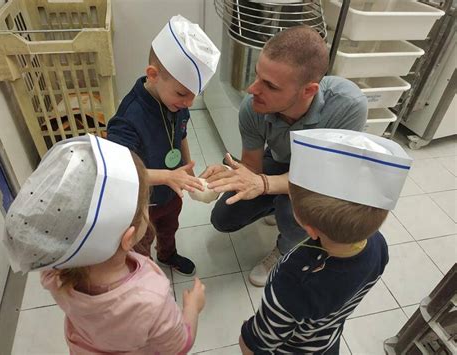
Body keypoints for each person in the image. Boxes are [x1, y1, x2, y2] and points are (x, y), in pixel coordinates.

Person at [3, 135, 206, 354]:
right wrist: (192, 308)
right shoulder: (151, 298)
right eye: (144, 204)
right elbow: (179, 346)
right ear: (128, 237)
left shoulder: (56, 273)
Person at [201, 25, 368, 286]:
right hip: (280, 162)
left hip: (322, 175)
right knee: (223, 218)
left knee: (295, 211)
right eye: (257, 76)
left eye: (270, 85)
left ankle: (285, 248)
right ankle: (275, 203)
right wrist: (234, 175)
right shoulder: (252, 108)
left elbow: (324, 175)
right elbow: (253, 168)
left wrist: (266, 185)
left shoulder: (348, 106)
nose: (252, 89)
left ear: (308, 91)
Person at [239, 128, 413, 354]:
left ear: (307, 226)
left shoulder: (294, 279)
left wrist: (246, 341)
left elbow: (260, 341)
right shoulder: (378, 244)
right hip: (327, 341)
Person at [107, 15, 220, 275]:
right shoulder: (128, 118)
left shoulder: (176, 102)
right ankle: (145, 276)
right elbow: (121, 171)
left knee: (170, 228)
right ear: (153, 75)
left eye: (195, 95)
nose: (189, 103)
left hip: (170, 195)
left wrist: (189, 172)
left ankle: (168, 254)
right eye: (183, 93)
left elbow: (181, 135)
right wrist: (168, 176)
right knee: (142, 245)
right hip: (142, 204)